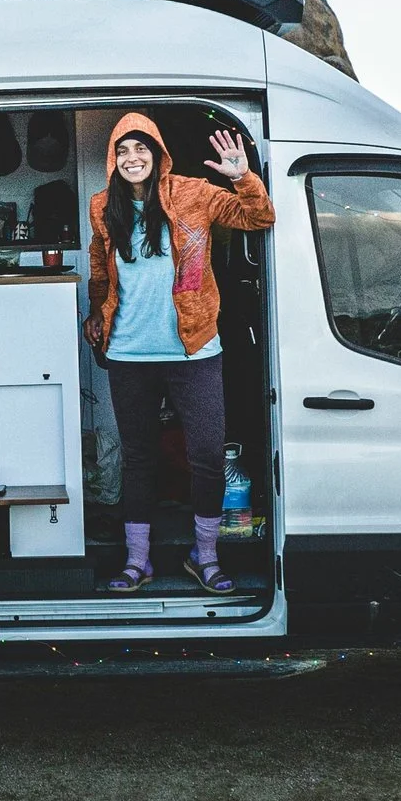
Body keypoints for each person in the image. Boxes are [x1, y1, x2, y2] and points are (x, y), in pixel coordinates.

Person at [83, 113, 275, 593]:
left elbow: (259, 217)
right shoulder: (102, 206)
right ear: (113, 159)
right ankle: (138, 560)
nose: (133, 159)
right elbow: (100, 270)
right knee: (139, 457)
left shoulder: (195, 193)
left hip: (195, 349)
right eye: (123, 151)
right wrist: (95, 312)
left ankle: (204, 555)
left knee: (208, 454)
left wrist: (241, 176)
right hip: (128, 351)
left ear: (158, 153)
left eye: (141, 148)